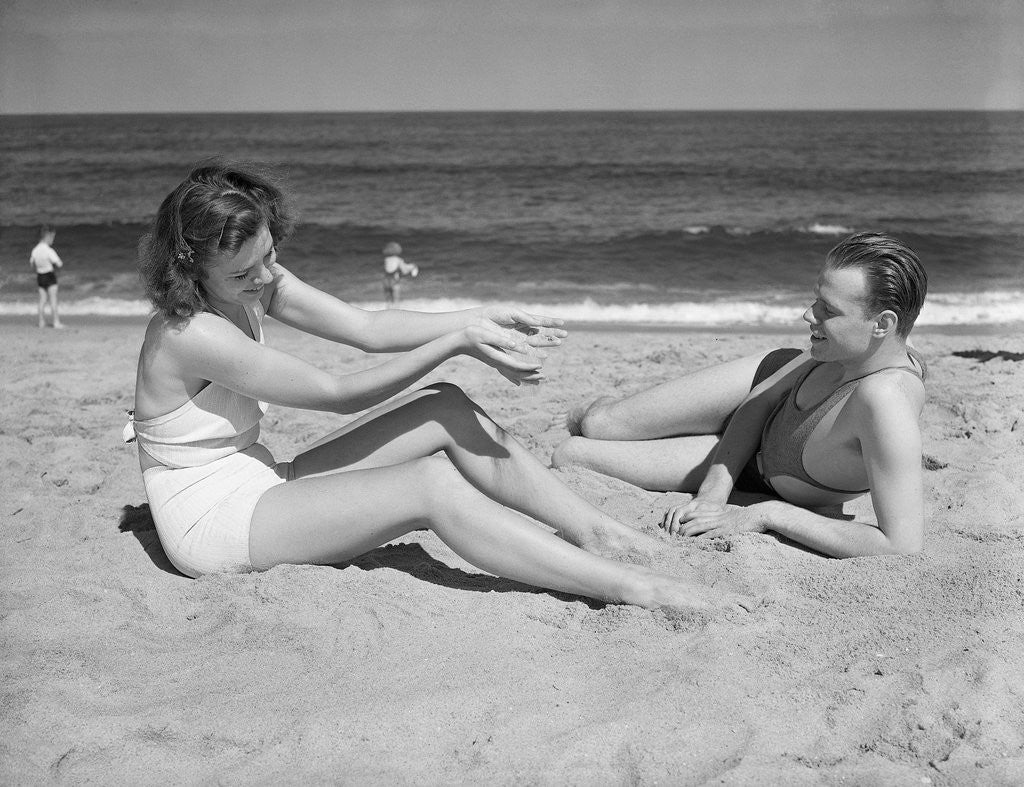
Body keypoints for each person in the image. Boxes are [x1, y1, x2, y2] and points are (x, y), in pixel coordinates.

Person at [124, 160, 712, 612]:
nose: (265, 277)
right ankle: (638, 589)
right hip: (217, 523)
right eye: (243, 272)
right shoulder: (189, 332)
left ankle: (597, 531)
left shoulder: (255, 280)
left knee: (444, 406)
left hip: (260, 479)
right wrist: (456, 346)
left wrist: (476, 317)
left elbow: (369, 329)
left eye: (270, 256)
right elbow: (338, 393)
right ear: (188, 268)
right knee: (429, 485)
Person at [552, 233, 928, 559]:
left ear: (883, 324)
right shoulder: (849, 347)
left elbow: (900, 545)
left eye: (828, 311)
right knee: (597, 423)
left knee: (572, 454)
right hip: (761, 388)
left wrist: (766, 513)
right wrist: (713, 496)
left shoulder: (885, 399)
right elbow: (759, 402)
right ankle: (620, 413)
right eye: (816, 300)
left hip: (761, 473)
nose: (807, 315)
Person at [30, 225, 64, 328]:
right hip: (49, 275)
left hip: (40, 276)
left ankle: (41, 321)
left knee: (42, 300)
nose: (53, 240)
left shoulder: (35, 250)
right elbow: (59, 263)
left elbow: (32, 263)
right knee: (53, 299)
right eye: (52, 237)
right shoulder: (49, 250)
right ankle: (56, 322)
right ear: (48, 237)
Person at [382, 241, 418, 307]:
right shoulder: (399, 260)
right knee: (396, 300)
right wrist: (412, 267)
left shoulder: (386, 260)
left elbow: (387, 270)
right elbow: (404, 271)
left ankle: (387, 313)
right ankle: (396, 314)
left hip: (386, 281)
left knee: (388, 300)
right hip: (394, 281)